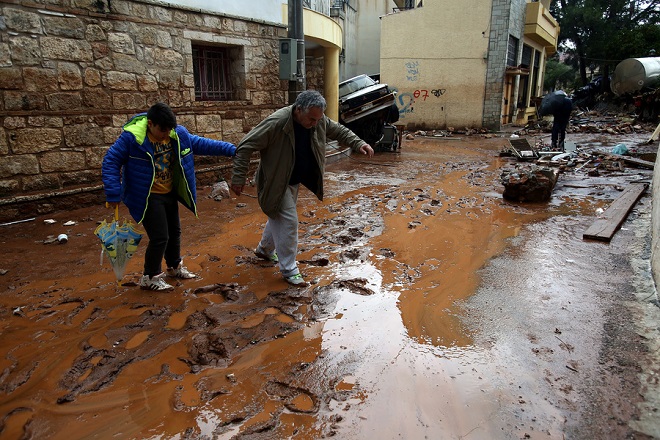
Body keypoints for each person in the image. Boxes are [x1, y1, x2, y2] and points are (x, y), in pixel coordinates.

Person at [230, 90, 374, 287]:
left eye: (318, 119)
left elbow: (339, 130)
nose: (315, 124)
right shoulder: (277, 123)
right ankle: (289, 270)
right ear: (298, 110)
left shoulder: (318, 120)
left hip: (293, 180)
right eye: (311, 119)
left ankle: (264, 250)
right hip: (275, 181)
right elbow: (245, 145)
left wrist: (359, 143)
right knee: (289, 221)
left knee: (278, 214)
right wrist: (238, 177)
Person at [102, 102, 236, 291]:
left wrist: (231, 150)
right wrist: (113, 191)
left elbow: (201, 144)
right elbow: (111, 161)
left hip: (169, 191)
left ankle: (174, 267)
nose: (165, 135)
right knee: (160, 237)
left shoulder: (176, 134)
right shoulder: (132, 139)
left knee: (175, 232)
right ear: (150, 124)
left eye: (168, 130)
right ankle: (150, 276)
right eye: (162, 130)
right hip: (147, 196)